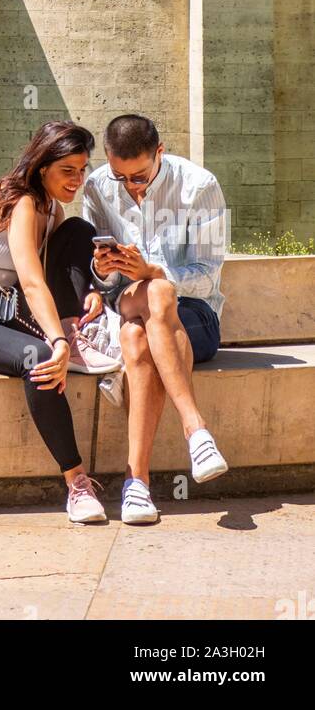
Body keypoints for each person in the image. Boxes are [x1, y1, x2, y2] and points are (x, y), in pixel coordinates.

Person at [0, 121, 121, 525]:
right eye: (67, 171)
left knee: (79, 230)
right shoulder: (20, 202)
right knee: (37, 357)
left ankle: (76, 332)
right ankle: (76, 484)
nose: (77, 180)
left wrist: (92, 287)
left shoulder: (51, 208)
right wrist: (57, 341)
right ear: (43, 168)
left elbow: (60, 267)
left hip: (12, 309)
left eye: (82, 169)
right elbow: (33, 278)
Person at [82, 114, 229, 525]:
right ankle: (195, 430)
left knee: (142, 329)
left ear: (160, 153)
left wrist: (153, 273)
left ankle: (137, 483)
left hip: (195, 316)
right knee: (149, 300)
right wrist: (103, 267)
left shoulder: (199, 186)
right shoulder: (97, 187)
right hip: (125, 301)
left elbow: (207, 275)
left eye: (140, 176)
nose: (131, 186)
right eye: (121, 177)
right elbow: (102, 280)